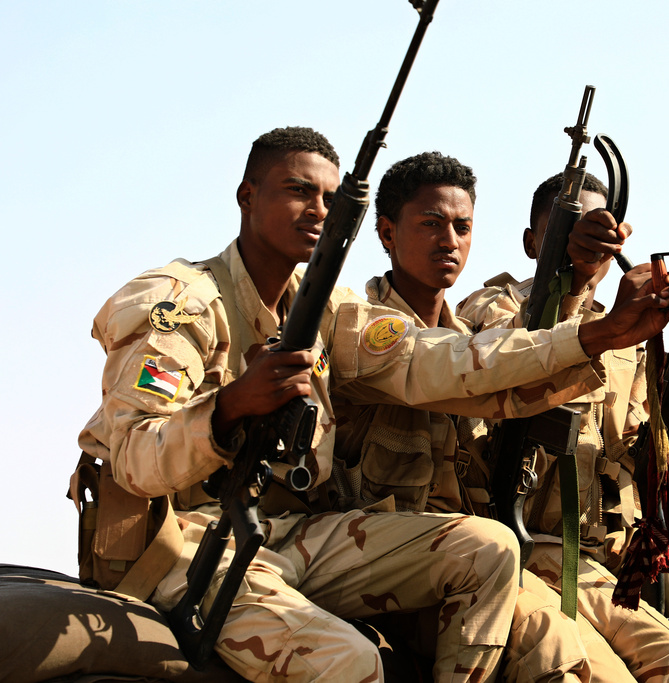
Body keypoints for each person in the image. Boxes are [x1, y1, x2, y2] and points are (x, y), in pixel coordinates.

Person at [74, 127, 525, 683]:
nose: (317, 211)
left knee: (488, 548)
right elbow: (133, 458)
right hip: (186, 541)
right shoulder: (182, 303)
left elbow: (431, 358)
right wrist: (230, 406)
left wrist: (590, 339)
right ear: (247, 197)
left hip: (289, 531)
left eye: (331, 201)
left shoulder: (325, 306)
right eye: (298, 191)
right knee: (349, 662)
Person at [328, 151, 669, 682]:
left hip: (479, 556)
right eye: (429, 224)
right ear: (385, 232)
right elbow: (486, 360)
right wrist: (580, 301)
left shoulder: (465, 335)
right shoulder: (366, 328)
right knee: (573, 664)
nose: (448, 241)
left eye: (462, 227)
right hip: (392, 562)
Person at [457, 171, 669, 683]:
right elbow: (508, 359)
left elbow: (647, 442)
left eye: (603, 236)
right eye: (572, 231)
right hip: (536, 542)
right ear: (532, 241)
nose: (590, 248)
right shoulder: (494, 308)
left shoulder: (627, 329)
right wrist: (577, 287)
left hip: (624, 543)